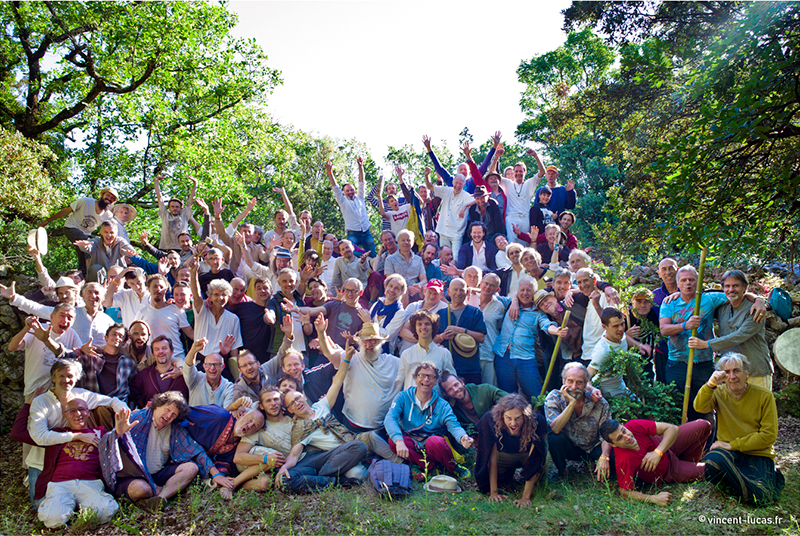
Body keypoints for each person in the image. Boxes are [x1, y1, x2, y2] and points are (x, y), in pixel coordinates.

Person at [659, 265, 764, 422]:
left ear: (698, 282)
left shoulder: (709, 299)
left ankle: (707, 444)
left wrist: (759, 300)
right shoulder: (669, 303)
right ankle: (680, 442)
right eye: (684, 280)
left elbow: (736, 293)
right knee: (677, 407)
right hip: (677, 363)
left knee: (706, 407)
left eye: (692, 280)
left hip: (704, 363)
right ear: (678, 283)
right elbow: (664, 329)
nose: (688, 283)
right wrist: (685, 326)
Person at [100, 391, 233, 512]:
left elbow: (196, 451)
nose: (168, 416)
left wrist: (216, 475)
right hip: (133, 478)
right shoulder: (137, 417)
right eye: (167, 409)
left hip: (158, 474)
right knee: (141, 490)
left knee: (191, 468)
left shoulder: (174, 428)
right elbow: (106, 444)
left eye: (173, 415)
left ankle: (160, 498)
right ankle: (151, 492)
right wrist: (117, 433)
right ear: (157, 405)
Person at [13, 398, 122, 528]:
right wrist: (28, 404)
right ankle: (62, 507)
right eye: (72, 411)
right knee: (53, 519)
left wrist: (121, 430)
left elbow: (121, 441)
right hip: (60, 485)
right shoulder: (57, 435)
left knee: (104, 513)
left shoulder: (100, 433)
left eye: (82, 409)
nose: (78, 414)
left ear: (88, 412)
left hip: (90, 484)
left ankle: (78, 508)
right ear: (65, 414)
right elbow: (18, 433)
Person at [694, 353, 784, 505]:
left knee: (762, 498)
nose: (732, 376)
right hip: (730, 455)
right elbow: (700, 406)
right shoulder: (719, 392)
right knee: (712, 463)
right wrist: (710, 384)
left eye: (737, 371)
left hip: (757, 454)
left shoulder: (764, 396)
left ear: (747, 373)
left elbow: (768, 436)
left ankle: (757, 483)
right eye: (727, 372)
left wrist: (731, 444)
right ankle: (748, 484)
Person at [385, 362, 474, 478]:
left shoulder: (442, 405)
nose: (426, 380)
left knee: (436, 442)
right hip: (412, 441)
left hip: (431, 444)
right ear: (415, 378)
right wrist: (399, 440)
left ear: (435, 381)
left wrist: (462, 437)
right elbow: (390, 418)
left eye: (431, 377)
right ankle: (431, 468)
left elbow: (453, 425)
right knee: (393, 441)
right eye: (422, 375)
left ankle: (452, 467)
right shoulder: (403, 397)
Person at [688, 270, 773, 390]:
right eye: (727, 286)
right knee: (732, 408)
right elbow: (700, 299)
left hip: (756, 371)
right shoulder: (722, 308)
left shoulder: (755, 310)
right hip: (731, 373)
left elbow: (739, 336)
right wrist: (675, 294)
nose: (731, 289)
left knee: (758, 408)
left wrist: (706, 344)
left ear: (745, 288)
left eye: (736, 286)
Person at [599, 418, 711, 506]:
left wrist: (658, 452)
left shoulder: (633, 425)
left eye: (624, 431)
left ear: (623, 426)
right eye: (620, 438)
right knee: (712, 470)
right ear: (612, 445)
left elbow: (673, 429)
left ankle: (689, 462)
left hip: (664, 445)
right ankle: (688, 467)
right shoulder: (624, 460)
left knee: (704, 425)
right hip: (669, 469)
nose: (627, 437)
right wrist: (654, 499)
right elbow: (624, 492)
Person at [493, 277, 567, 400]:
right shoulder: (509, 303)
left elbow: (546, 325)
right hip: (503, 357)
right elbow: (493, 298)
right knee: (506, 397)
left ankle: (543, 418)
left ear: (533, 293)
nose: (525, 293)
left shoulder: (538, 312)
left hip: (525, 359)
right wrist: (515, 300)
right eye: (522, 290)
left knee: (536, 396)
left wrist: (556, 330)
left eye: (529, 290)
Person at [475, 394, 546, 508]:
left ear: (524, 416)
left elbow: (535, 459)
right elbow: (490, 457)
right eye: (508, 418)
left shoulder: (536, 421)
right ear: (502, 416)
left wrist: (525, 498)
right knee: (494, 479)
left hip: (526, 455)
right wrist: (494, 492)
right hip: (503, 456)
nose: (513, 423)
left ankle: (527, 481)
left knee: (541, 468)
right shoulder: (490, 419)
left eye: (518, 418)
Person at [544, 362, 613, 480]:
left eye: (579, 382)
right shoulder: (554, 397)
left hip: (593, 447)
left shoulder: (599, 402)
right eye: (570, 381)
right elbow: (555, 428)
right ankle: (562, 472)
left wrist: (604, 456)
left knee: (614, 462)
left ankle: (593, 464)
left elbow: (607, 434)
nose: (574, 387)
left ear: (586, 383)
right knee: (554, 439)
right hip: (570, 446)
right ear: (563, 380)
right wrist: (571, 404)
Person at [39, 187, 119, 272]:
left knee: (84, 253)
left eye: (112, 199)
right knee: (89, 245)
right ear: (102, 195)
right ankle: (89, 277)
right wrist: (48, 220)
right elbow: (67, 210)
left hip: (86, 234)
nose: (109, 199)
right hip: (71, 228)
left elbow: (111, 230)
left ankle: (82, 275)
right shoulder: (86, 202)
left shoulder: (108, 215)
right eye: (108, 195)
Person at [433, 278, 486, 384]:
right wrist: (443, 336)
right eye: (455, 289)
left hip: (470, 367)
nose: (458, 293)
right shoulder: (441, 313)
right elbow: (432, 339)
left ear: (466, 292)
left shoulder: (475, 312)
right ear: (448, 292)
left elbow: (481, 338)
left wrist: (462, 331)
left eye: (461, 290)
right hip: (447, 368)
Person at [189, 261, 242, 363]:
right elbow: (196, 296)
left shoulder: (233, 319)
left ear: (228, 297)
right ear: (210, 297)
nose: (220, 298)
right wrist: (193, 273)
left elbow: (234, 347)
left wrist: (237, 373)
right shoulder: (202, 311)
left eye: (224, 294)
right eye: (216, 294)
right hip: (199, 361)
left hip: (221, 362)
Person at [75, 323, 137, 405]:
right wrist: (80, 350)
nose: (116, 338)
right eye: (114, 334)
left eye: (120, 336)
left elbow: (133, 389)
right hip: (95, 404)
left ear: (124, 342)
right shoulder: (92, 357)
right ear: (106, 337)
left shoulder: (129, 363)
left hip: (119, 405)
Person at [136, 274, 193, 361]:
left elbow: (191, 333)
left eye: (161, 287)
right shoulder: (142, 313)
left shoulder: (176, 310)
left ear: (165, 290)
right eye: (155, 286)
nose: (158, 289)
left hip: (177, 357)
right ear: (148, 289)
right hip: (153, 360)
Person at [397, 309, 456, 391]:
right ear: (415, 328)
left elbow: (451, 381)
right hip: (411, 402)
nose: (423, 327)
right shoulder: (406, 354)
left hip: (436, 402)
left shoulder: (444, 353)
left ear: (433, 328)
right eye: (419, 324)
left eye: (427, 324)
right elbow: (399, 381)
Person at [326, 157, 375, 255]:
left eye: (352, 189)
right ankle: (363, 257)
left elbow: (362, 182)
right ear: (343, 192)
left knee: (373, 255)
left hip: (366, 231)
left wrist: (360, 167)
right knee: (349, 253)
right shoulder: (343, 201)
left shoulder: (360, 197)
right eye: (347, 190)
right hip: (353, 233)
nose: (350, 192)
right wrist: (329, 172)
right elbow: (335, 187)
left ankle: (372, 267)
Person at [129, 336, 189, 408]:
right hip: (151, 418)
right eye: (157, 349)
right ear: (153, 355)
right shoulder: (144, 375)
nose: (161, 351)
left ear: (172, 351)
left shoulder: (183, 375)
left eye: (164, 348)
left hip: (180, 418)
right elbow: (132, 396)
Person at [425, 165, 471, 254]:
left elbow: (476, 200)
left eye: (460, 184)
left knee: (456, 257)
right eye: (456, 182)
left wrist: (465, 206)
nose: (458, 185)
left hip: (456, 234)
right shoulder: (446, 191)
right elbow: (430, 187)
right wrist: (426, 176)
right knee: (444, 257)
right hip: (443, 231)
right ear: (453, 182)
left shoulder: (466, 195)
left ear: (464, 185)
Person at [476, 273, 512, 385]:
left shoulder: (499, 306)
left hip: (489, 353)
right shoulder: (470, 298)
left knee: (488, 387)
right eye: (486, 283)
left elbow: (501, 329)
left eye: (491, 285)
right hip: (469, 352)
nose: (487, 287)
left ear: (497, 289)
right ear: (480, 283)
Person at [440, 371, 507, 427]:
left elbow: (509, 400)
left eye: (456, 385)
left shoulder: (485, 389)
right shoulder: (451, 408)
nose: (455, 390)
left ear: (462, 382)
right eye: (450, 390)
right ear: (446, 394)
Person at [183, 338, 235, 408]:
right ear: (204, 366)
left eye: (216, 364)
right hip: (194, 419)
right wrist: (193, 351)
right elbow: (188, 367)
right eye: (208, 365)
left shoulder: (228, 387)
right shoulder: (196, 379)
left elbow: (226, 411)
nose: (212, 368)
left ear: (222, 367)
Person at [153, 174, 198, 250]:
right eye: (172, 206)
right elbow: (159, 198)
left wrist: (195, 183)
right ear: (169, 208)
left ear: (181, 208)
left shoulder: (184, 215)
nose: (175, 208)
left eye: (177, 207)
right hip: (165, 248)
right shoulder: (165, 215)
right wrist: (156, 181)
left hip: (181, 249)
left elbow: (191, 199)